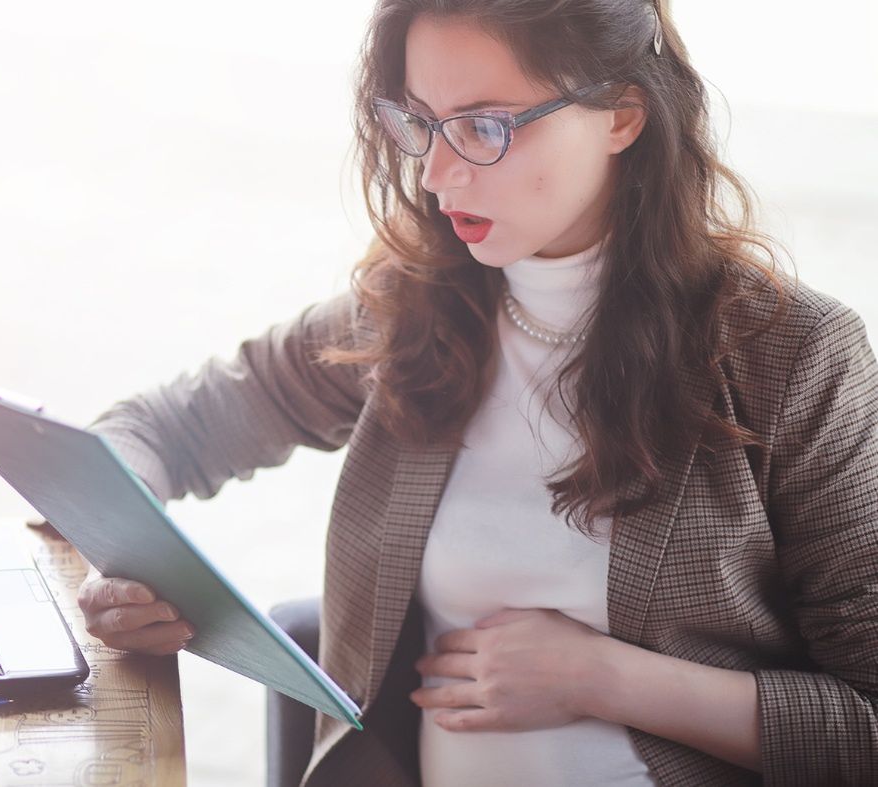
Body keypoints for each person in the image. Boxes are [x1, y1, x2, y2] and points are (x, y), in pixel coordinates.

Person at [77, 1, 878, 785]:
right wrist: (127, 558)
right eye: (420, 122)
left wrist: (602, 676)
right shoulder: (415, 309)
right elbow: (164, 428)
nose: (434, 173)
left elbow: (866, 725)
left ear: (621, 117)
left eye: (485, 126)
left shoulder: (796, 356)